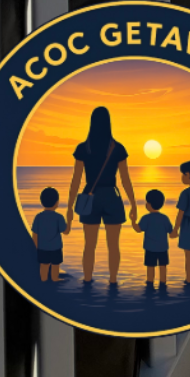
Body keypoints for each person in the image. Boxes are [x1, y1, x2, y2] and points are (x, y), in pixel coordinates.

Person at [65, 106, 136, 287]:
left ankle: (88, 280)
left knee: (89, 245)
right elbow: (125, 179)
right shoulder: (117, 148)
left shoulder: (83, 148)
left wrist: (69, 208)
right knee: (113, 245)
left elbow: (76, 180)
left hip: (90, 196)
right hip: (111, 197)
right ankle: (113, 282)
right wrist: (133, 204)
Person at [136, 189, 172, 289]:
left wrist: (133, 221)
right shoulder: (165, 218)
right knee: (163, 266)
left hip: (150, 248)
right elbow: (170, 230)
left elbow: (139, 229)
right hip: (163, 248)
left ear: (149, 204)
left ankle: (150, 282)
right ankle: (163, 283)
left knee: (150, 266)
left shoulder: (146, 218)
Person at [30, 187, 67, 283]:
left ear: (41, 202)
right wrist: (69, 222)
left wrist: (36, 247)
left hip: (42, 248)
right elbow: (65, 231)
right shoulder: (59, 217)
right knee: (55, 264)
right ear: (57, 202)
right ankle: (55, 278)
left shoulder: (38, 217)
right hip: (56, 248)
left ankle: (43, 279)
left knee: (44, 265)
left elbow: (35, 234)